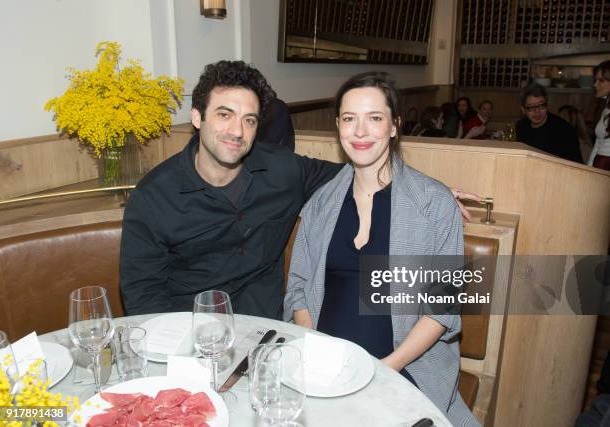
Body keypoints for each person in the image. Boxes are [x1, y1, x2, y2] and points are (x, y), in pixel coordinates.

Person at [283, 71, 480, 426]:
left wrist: (380, 371)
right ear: (338, 126)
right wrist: (316, 351)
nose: (360, 131)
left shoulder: (433, 204)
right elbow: (298, 286)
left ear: (394, 126)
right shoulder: (321, 201)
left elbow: (441, 309)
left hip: (404, 369)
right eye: (349, 119)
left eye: (374, 118)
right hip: (325, 370)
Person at [119, 60, 341, 318]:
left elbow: (355, 177)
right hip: (188, 339)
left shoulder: (283, 170)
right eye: (224, 115)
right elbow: (143, 299)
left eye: (249, 120)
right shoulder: (153, 198)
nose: (237, 131)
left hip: (266, 337)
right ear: (196, 117)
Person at [515, 84, 583, 163]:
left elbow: (576, 163)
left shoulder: (564, 129)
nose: (537, 111)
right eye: (531, 107)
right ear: (523, 110)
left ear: (547, 105)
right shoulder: (521, 126)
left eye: (541, 105)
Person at [588, 60, 610, 171]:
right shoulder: (605, 106)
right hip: (600, 163)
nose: (595, 84)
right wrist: (589, 167)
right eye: (595, 80)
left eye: (601, 80)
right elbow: (599, 142)